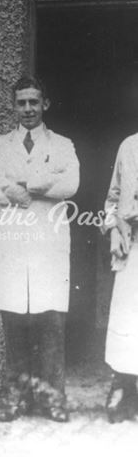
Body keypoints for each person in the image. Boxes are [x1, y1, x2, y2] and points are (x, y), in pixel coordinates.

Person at [0, 75, 80, 423]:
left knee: (50, 321)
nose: (27, 109)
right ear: (14, 106)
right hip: (12, 244)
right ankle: (16, 398)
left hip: (47, 245)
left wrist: (29, 185)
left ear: (45, 104)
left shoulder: (63, 144)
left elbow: (71, 183)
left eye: (33, 102)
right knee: (15, 324)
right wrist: (12, 190)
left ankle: (53, 400)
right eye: (21, 102)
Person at [102, 132, 138, 423]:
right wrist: (113, 229)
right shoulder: (128, 146)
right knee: (127, 318)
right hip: (133, 243)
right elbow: (113, 197)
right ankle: (124, 388)